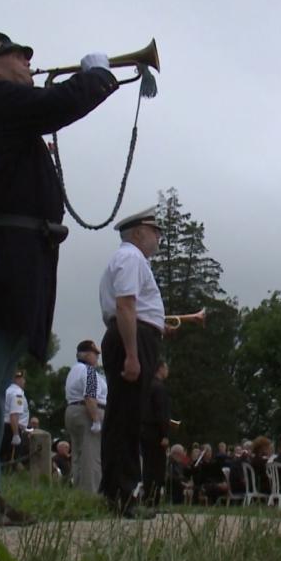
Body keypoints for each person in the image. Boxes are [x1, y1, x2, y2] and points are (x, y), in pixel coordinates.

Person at [0, 32, 118, 527]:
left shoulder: (2, 114)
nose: (29, 61)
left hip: (8, 261)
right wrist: (96, 77)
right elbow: (58, 103)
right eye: (18, 54)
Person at [99, 206, 167, 517]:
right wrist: (131, 353)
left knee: (124, 417)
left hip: (136, 336)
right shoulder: (130, 257)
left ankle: (116, 490)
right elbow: (126, 305)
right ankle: (122, 495)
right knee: (125, 419)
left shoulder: (131, 259)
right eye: (156, 232)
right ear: (139, 232)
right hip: (134, 337)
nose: (158, 238)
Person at [64, 339, 107, 495]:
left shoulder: (73, 371)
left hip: (72, 410)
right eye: (95, 354)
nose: (97, 357)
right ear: (88, 354)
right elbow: (90, 395)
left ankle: (77, 490)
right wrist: (95, 419)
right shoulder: (89, 371)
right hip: (87, 412)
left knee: (77, 454)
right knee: (91, 455)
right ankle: (91, 493)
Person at [141, 361, 172, 506]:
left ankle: (148, 498)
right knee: (157, 468)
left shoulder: (147, 387)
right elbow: (161, 413)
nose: (168, 371)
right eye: (166, 368)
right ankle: (154, 501)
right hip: (156, 433)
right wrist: (165, 434)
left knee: (148, 467)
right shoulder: (159, 388)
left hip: (145, 430)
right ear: (160, 369)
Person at [0, 371, 30, 468]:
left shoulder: (6, 390)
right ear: (18, 379)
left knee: (0, 456)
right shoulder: (17, 393)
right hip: (12, 428)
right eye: (23, 379)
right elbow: (14, 414)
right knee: (11, 460)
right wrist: (16, 434)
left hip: (3, 426)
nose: (24, 381)